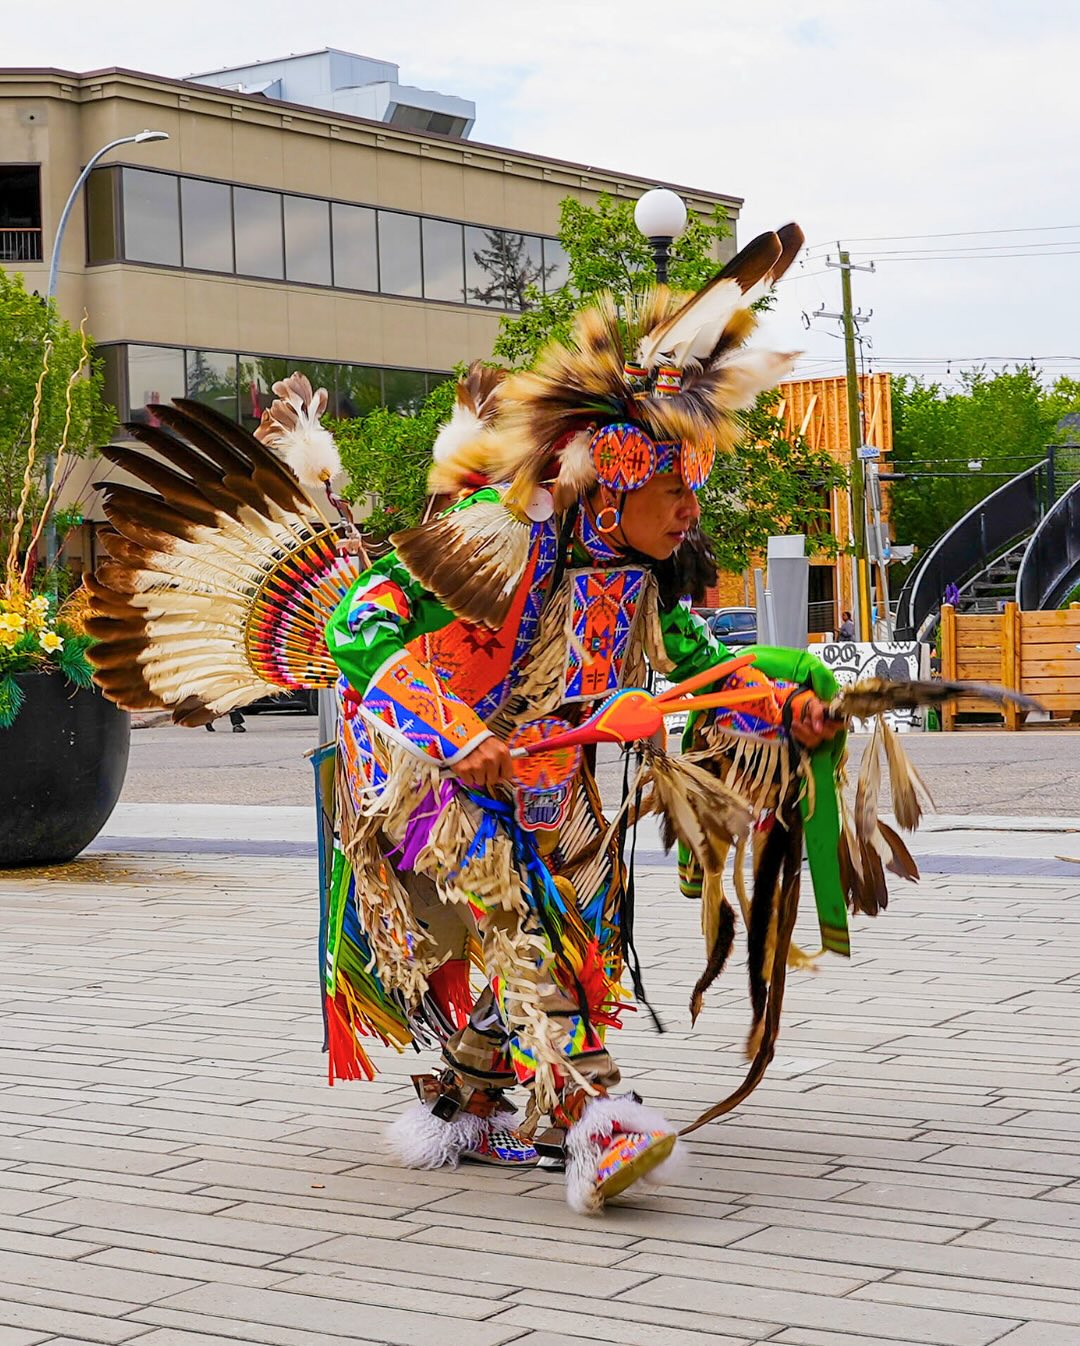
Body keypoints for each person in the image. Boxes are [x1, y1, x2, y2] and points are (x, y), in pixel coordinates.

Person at [87, 224, 918, 1216]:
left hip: (537, 765)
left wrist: (789, 706)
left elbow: (702, 669)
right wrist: (459, 733)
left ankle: (472, 1090)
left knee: (591, 900)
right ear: (608, 484)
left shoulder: (634, 581)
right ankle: (595, 1111)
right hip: (419, 759)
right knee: (521, 906)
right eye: (672, 489)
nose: (687, 512)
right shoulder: (502, 541)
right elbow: (359, 626)